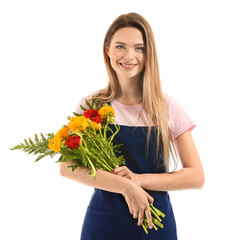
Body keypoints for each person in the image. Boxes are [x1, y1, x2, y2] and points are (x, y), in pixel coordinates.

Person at [60, 12, 204, 240]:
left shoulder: (166, 106)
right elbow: (66, 167)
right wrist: (126, 187)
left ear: (149, 54)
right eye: (120, 46)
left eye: (139, 48)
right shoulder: (92, 105)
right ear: (107, 49)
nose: (129, 56)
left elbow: (196, 176)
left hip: (156, 225)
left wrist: (139, 180)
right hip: (104, 223)